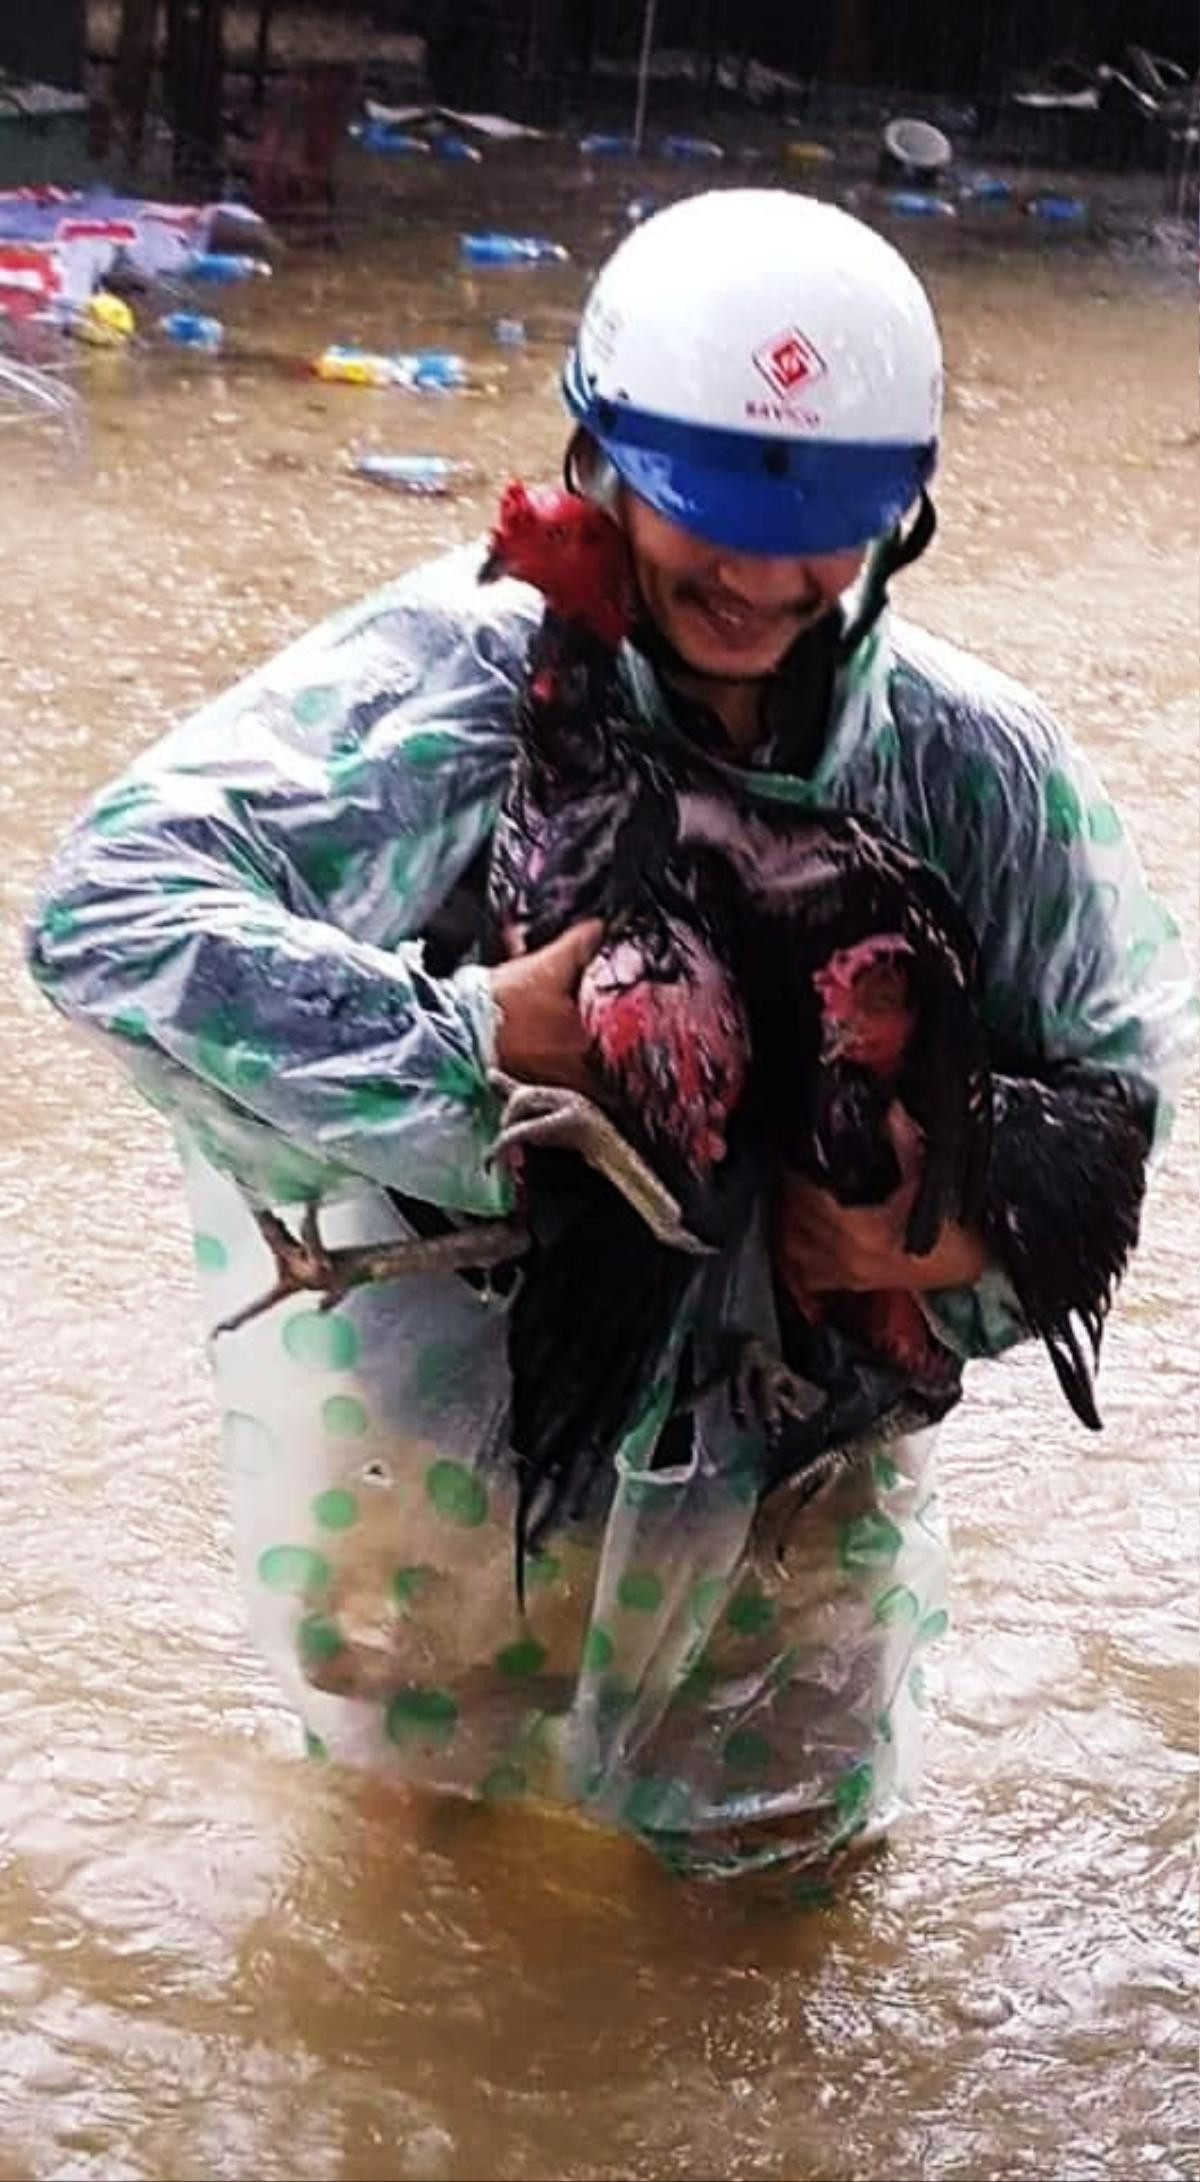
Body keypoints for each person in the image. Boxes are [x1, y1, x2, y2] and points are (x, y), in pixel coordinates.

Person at [25, 191, 1194, 1891]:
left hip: (800, 1468)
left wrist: (951, 1235)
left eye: (819, 533)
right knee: (408, 1908)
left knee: (775, 1915)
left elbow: (1135, 1077)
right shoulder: (461, 688)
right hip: (434, 1431)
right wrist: (464, 1048)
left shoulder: (973, 769)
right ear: (595, 467)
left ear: (901, 518)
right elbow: (109, 914)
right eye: (701, 513)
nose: (755, 576)